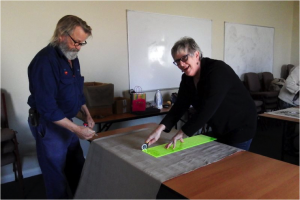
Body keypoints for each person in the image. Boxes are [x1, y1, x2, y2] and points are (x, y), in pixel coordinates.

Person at [145, 37, 257, 151]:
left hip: (241, 124)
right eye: (177, 61)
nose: (181, 64)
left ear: (197, 55)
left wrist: (182, 132)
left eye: (184, 58)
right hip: (220, 125)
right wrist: (158, 130)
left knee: (234, 164)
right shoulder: (187, 79)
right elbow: (179, 106)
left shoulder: (218, 70)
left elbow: (208, 108)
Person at [27, 15, 95, 200]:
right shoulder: (44, 61)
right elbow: (48, 108)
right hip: (49, 126)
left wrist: (87, 115)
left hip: (68, 123)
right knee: (55, 177)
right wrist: (76, 130)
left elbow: (77, 92)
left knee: (77, 168)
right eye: (76, 42)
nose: (79, 47)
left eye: (83, 43)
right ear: (61, 35)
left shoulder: (72, 57)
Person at [278, 66, 300, 155]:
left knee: (293, 128)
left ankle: (289, 147)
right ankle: (287, 150)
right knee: (289, 128)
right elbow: (289, 84)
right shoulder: (298, 69)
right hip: (287, 100)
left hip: (296, 102)